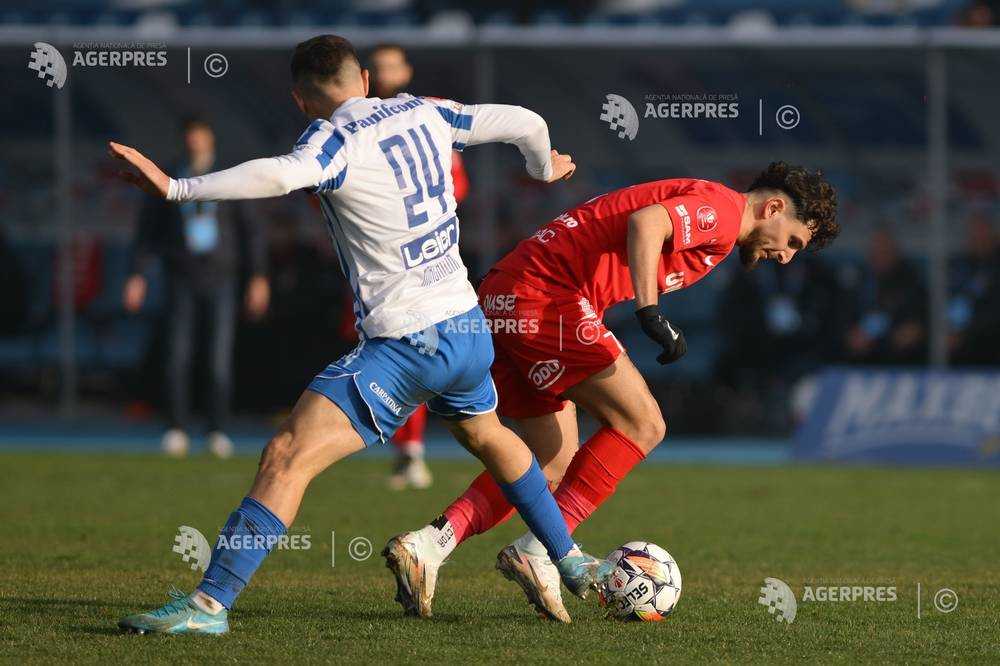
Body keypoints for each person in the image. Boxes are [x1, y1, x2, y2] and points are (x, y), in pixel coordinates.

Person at [110, 34, 607, 635]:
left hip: (407, 342)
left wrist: (177, 188)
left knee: (286, 455)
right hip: (467, 326)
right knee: (487, 433)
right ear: (365, 79)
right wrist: (541, 165)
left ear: (300, 100)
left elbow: (278, 175)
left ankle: (210, 605)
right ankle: (570, 558)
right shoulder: (424, 109)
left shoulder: (330, 137)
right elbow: (524, 120)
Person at [387, 163, 839, 622]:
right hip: (545, 296)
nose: (787, 257)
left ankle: (429, 545)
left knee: (549, 462)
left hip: (508, 294)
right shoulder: (724, 209)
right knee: (643, 423)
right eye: (794, 242)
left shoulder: (718, 220)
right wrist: (650, 312)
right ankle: (544, 551)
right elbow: (648, 222)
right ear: (774, 207)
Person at [123, 117, 270, 458]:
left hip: (222, 276)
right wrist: (137, 274)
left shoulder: (227, 176)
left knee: (218, 356)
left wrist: (258, 275)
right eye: (190, 136)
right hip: (181, 275)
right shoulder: (169, 176)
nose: (195, 142)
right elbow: (147, 232)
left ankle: (216, 428)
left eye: (200, 136)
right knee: (178, 353)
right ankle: (176, 426)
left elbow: (251, 230)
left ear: (211, 139)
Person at [370, 42, 472, 490]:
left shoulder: (429, 119)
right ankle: (404, 448)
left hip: (427, 262)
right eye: (378, 67)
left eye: (393, 64)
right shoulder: (351, 125)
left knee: (426, 350)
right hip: (375, 262)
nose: (385, 72)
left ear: (406, 70)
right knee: (391, 351)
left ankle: (415, 449)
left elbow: (458, 186)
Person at [844, 229, 927, 365]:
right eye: (876, 249)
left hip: (900, 359)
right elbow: (845, 318)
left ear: (895, 251)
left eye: (885, 249)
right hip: (860, 358)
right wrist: (852, 335)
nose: (880, 254)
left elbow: (914, 326)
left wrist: (895, 337)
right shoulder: (859, 280)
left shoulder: (910, 281)